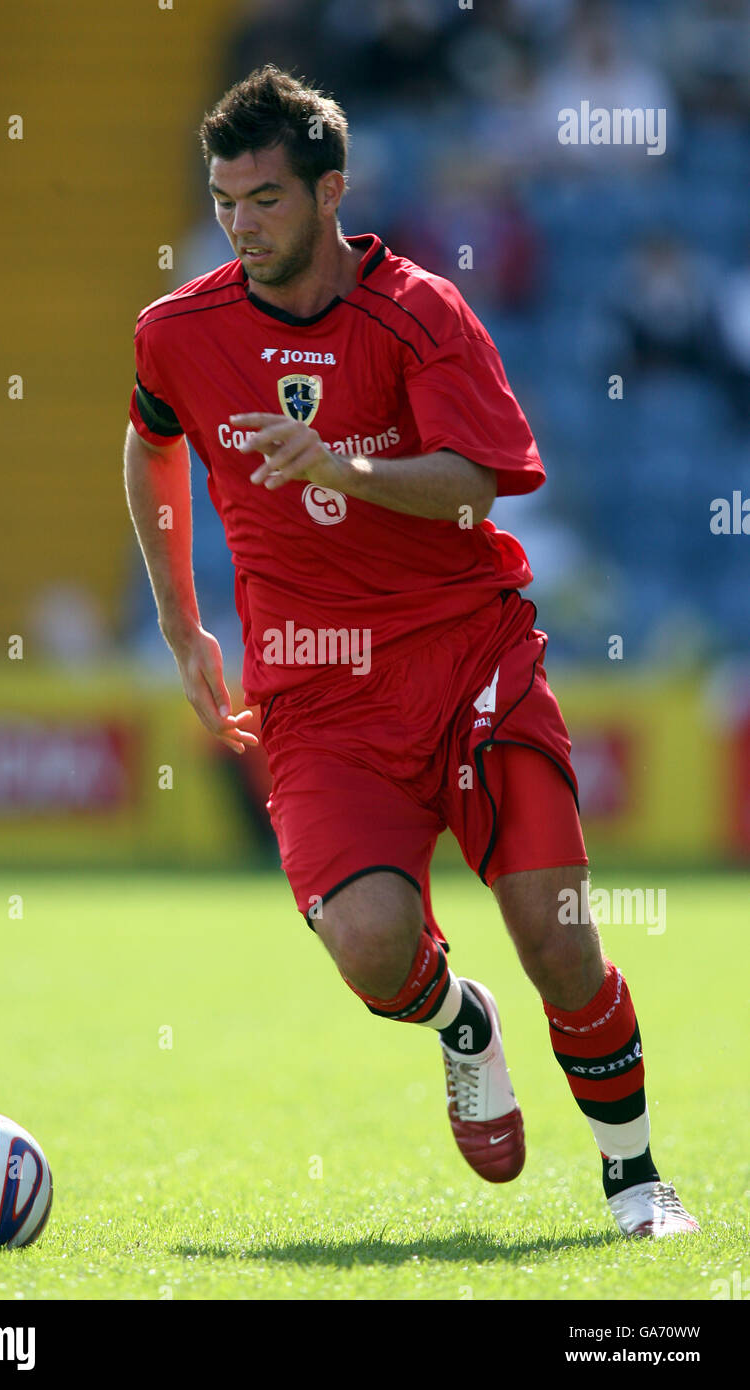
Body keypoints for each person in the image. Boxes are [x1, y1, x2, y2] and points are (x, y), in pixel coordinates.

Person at [123, 65, 698, 1238]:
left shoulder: (423, 309)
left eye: (266, 199)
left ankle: (635, 1180)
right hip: (314, 696)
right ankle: (457, 1024)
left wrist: (343, 467)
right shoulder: (176, 331)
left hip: (465, 656)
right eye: (225, 200)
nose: (240, 224)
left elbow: (474, 483)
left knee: (557, 935)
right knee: (373, 949)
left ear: (330, 191)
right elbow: (147, 447)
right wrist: (183, 624)